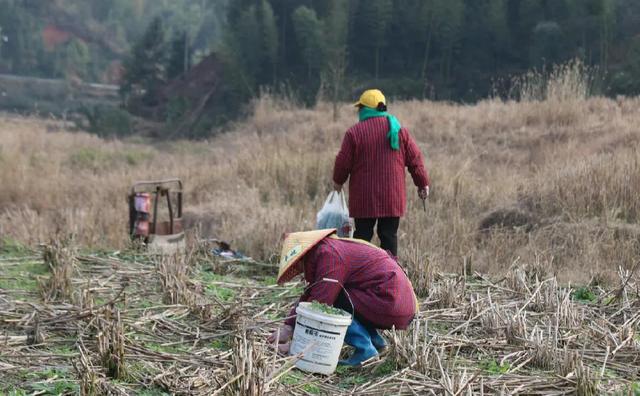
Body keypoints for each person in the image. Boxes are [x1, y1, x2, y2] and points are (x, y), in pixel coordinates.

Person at [268, 229, 418, 366]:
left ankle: (366, 350)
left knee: (334, 298)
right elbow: (311, 292)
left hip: (392, 301)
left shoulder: (330, 255)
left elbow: (319, 305)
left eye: (297, 264)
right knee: (337, 293)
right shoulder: (326, 250)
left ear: (302, 256)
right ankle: (376, 342)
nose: (299, 270)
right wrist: (288, 326)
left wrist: (296, 346)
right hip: (392, 301)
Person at [333, 89, 430, 257]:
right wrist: (422, 183)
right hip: (392, 197)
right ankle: (390, 276)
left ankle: (359, 274)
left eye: (360, 108)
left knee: (362, 237)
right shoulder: (399, 131)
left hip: (364, 199)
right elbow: (415, 159)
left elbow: (343, 162)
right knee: (388, 236)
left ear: (364, 109)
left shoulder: (354, 133)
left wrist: (337, 182)